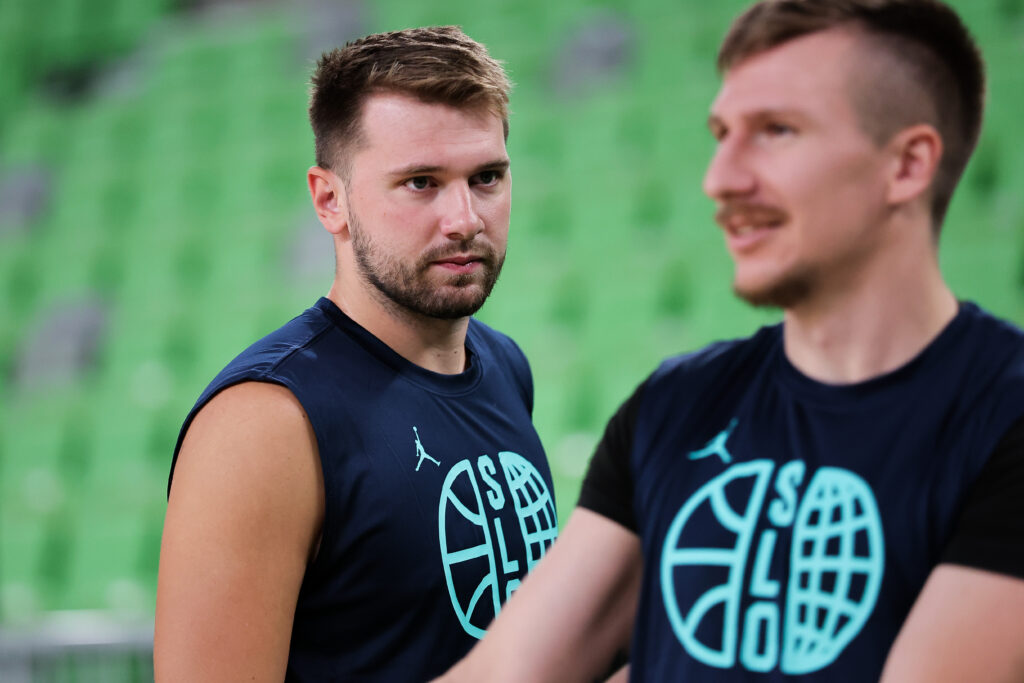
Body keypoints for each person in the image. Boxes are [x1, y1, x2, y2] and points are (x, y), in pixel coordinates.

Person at [438, 1, 1024, 680]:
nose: (721, 179)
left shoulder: (1002, 418)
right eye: (722, 134)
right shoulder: (677, 403)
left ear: (907, 165)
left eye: (777, 131)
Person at [154, 26, 559, 681]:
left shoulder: (505, 367)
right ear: (329, 200)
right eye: (421, 182)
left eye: (486, 177)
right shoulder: (264, 424)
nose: (465, 218)